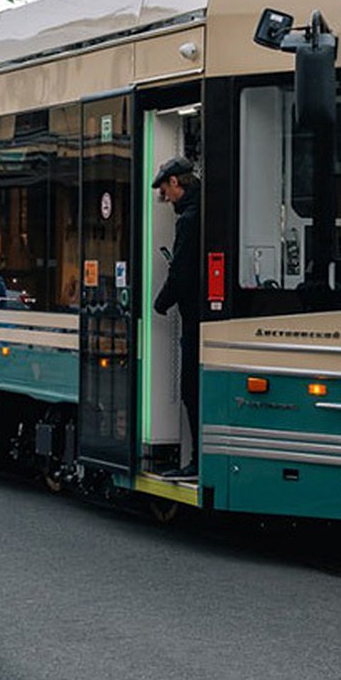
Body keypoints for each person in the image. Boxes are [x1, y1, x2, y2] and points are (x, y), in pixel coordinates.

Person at [152, 155, 201, 478]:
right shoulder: (207, 206)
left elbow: (182, 272)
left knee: (190, 389)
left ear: (175, 183)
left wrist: (160, 302)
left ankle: (197, 460)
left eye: (165, 191)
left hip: (195, 316)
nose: (165, 198)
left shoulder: (188, 219)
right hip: (205, 315)